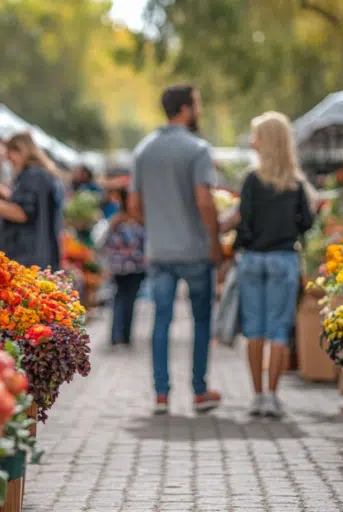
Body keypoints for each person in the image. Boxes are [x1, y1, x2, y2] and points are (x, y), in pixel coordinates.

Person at [129, 84, 222, 415]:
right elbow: (204, 201)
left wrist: (155, 227)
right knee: (200, 321)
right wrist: (214, 240)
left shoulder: (143, 150)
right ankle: (199, 391)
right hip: (194, 250)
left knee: (161, 321)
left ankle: (161, 395)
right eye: (196, 104)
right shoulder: (197, 149)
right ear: (185, 109)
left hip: (160, 251)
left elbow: (133, 205)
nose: (198, 110)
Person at [234, 112, 316, 418]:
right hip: (284, 259)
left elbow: (244, 223)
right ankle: (273, 396)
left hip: (254, 259)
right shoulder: (295, 183)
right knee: (279, 329)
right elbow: (306, 224)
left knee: (254, 330)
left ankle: (257, 396)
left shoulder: (252, 180)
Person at [0, 132, 65, 270]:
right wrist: (8, 196)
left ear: (19, 150)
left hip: (27, 255)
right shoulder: (44, 174)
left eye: (10, 156)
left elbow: (22, 213)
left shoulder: (31, 175)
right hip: (44, 253)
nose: (9, 161)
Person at [101, 187, 146, 347]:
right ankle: (122, 336)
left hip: (123, 266)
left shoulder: (117, 220)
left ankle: (119, 336)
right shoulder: (138, 220)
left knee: (122, 298)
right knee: (127, 299)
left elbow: (106, 243)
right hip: (133, 266)